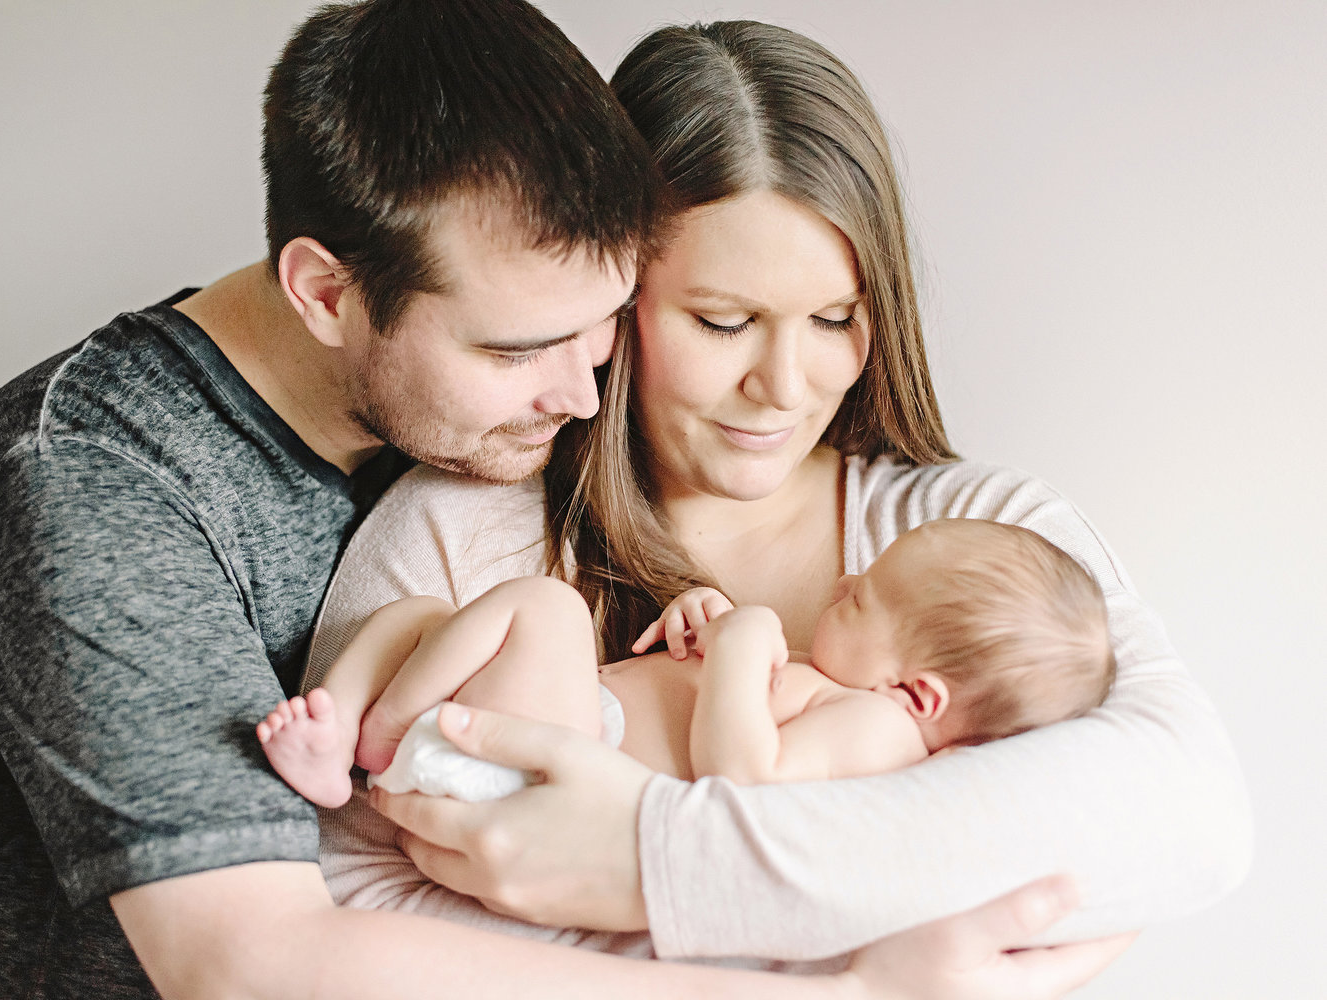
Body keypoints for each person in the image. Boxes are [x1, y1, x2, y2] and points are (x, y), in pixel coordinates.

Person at [0, 2, 1118, 998]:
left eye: (602, 331)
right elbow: (253, 964)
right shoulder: (93, 480)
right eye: (518, 350)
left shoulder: (475, 433)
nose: (583, 395)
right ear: (327, 293)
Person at [306, 16, 1251, 968]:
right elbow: (340, 909)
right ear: (610, 301)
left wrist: (646, 856)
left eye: (836, 318)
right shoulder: (461, 530)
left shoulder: (983, 535)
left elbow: (1187, 819)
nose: (787, 384)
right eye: (723, 322)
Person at [260, 518, 1115, 812]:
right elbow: (714, 706)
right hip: (541, 733)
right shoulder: (840, 680)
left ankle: (383, 735)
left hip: (549, 782)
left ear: (919, 692)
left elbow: (744, 779)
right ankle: (335, 737)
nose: (845, 581)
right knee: (423, 614)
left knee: (546, 607)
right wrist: (702, 632)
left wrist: (746, 647)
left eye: (864, 599)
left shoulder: (881, 731)